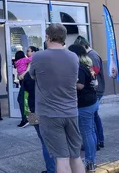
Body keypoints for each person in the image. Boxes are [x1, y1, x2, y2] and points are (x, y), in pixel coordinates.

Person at [30, 23, 85, 173]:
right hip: (71, 112)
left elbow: (32, 75)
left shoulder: (39, 56)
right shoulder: (73, 57)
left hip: (49, 114)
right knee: (75, 155)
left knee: (61, 157)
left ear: (47, 37)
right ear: (64, 37)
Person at [69, 44, 98, 172]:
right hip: (91, 101)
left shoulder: (79, 67)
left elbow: (80, 85)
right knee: (90, 131)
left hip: (84, 104)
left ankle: (90, 162)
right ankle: (91, 160)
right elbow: (93, 82)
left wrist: (67, 83)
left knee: (87, 132)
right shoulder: (88, 65)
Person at [74, 36, 105, 149]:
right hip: (93, 91)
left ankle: (97, 142)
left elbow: (94, 75)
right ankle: (97, 141)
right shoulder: (89, 56)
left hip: (95, 91)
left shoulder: (92, 56)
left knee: (91, 121)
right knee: (92, 119)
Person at [23, 69, 56, 173]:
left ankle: (51, 169)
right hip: (48, 110)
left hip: (32, 111)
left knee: (44, 142)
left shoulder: (27, 75)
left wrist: (26, 113)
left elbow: (25, 94)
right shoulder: (48, 74)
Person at [14, 50, 31, 128]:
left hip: (27, 82)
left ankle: (26, 120)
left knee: (22, 99)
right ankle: (32, 120)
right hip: (27, 81)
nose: (27, 54)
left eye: (29, 51)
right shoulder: (26, 61)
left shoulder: (18, 62)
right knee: (27, 101)